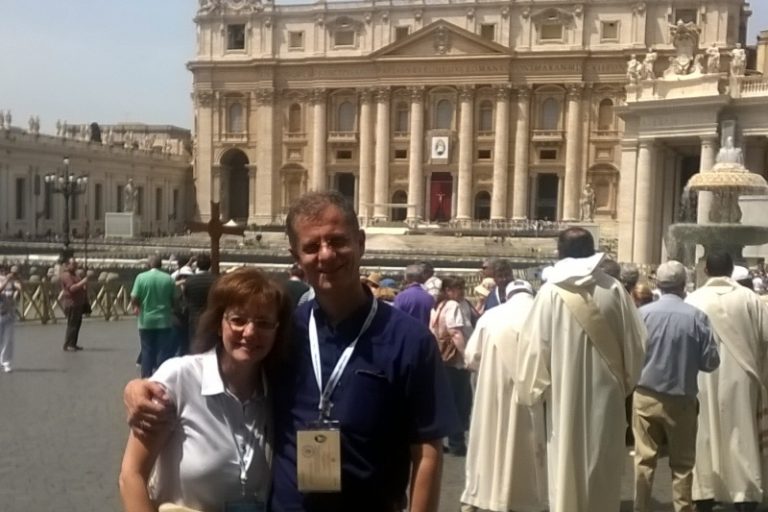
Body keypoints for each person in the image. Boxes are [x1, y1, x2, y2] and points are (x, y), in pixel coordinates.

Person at [124, 190, 458, 512]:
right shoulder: (283, 332)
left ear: (361, 242)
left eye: (338, 240)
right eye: (312, 246)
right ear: (296, 258)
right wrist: (136, 389)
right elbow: (225, 372)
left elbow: (427, 451)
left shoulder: (411, 340)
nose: (326, 254)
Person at [119, 268, 292, 511]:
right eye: (238, 320)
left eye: (263, 323)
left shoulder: (277, 391)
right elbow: (132, 475)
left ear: (277, 331)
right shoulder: (179, 378)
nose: (250, 332)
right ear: (219, 324)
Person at [516, 227, 647, 512]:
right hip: (608, 400)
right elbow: (637, 345)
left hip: (563, 399)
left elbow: (534, 348)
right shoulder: (613, 290)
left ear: (560, 253)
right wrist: (625, 384)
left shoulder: (549, 293)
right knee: (602, 470)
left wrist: (532, 391)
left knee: (566, 468)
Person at [633, 260, 720, 512]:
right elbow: (710, 362)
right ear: (683, 285)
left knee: (644, 460)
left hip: (646, 394)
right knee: (682, 465)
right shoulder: (697, 317)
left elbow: (631, 352)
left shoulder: (642, 315)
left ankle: (640, 507)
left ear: (657, 284)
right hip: (682, 398)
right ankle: (682, 508)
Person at [685, 252, 768, 512]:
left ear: (706, 270)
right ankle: (745, 491)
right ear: (731, 270)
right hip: (744, 374)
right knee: (741, 431)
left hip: (703, 375)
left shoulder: (693, 299)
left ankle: (706, 491)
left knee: (705, 431)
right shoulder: (751, 300)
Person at [460, 279, 547, 512]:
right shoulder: (544, 316)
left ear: (507, 295)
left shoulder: (490, 316)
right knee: (529, 446)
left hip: (493, 392)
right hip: (533, 393)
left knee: (491, 441)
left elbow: (471, 357)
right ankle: (530, 497)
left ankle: (489, 493)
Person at [430, 276, 474, 456]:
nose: (461, 292)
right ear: (447, 290)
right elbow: (455, 332)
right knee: (460, 401)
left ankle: (447, 440)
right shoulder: (453, 306)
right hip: (454, 360)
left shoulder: (438, 306)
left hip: (441, 358)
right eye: (457, 288)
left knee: (450, 399)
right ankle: (457, 442)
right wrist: (467, 356)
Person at [131, 255, 177, 378]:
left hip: (146, 320)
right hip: (164, 320)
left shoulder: (141, 277)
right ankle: (161, 377)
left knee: (146, 350)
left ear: (148, 265)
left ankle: (146, 376)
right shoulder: (169, 279)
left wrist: (136, 307)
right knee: (163, 350)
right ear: (161, 265)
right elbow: (174, 299)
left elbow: (134, 296)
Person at [183, 253, 217, 347]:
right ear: (209, 265)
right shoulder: (216, 280)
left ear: (197, 265)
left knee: (194, 344)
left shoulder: (190, 281)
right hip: (210, 317)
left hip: (193, 317)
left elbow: (186, 297)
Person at [60, 256, 89, 352]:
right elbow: (72, 288)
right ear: (67, 265)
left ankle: (73, 343)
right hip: (71, 303)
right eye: (73, 264)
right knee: (72, 324)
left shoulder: (75, 274)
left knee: (77, 324)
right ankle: (68, 344)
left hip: (78, 302)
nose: (75, 266)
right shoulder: (66, 275)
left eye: (76, 264)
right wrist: (83, 282)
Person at [0, 265, 22, 373]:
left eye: (4, 271)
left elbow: (20, 288)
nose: (4, 273)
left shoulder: (11, 281)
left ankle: (6, 362)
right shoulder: (4, 281)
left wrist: (17, 280)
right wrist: (6, 281)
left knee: (8, 340)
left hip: (9, 314)